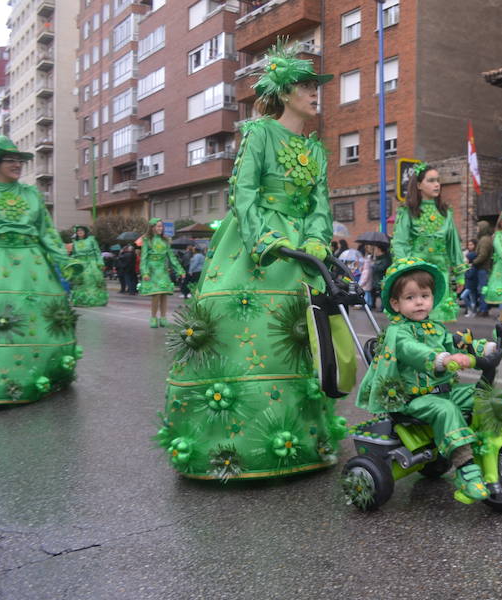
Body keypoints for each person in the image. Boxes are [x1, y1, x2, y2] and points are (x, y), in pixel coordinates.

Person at [156, 42, 345, 481]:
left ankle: (299, 438)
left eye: (316, 86)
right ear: (284, 93)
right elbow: (243, 194)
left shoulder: (315, 150)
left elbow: (320, 203)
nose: (314, 93)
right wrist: (268, 238)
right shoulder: (259, 133)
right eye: (304, 85)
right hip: (256, 244)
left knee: (304, 335)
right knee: (249, 334)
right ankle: (233, 444)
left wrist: (318, 240)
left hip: (301, 249)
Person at [355, 257, 502, 503]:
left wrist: (491, 347)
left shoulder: (435, 328)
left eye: (424, 295)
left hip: (443, 390)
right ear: (396, 303)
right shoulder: (396, 333)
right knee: (445, 409)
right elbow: (412, 351)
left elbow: (459, 343)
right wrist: (442, 359)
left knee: (488, 396)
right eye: (410, 298)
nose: (419, 302)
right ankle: (465, 466)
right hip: (414, 399)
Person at [0, 135, 83, 405]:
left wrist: (66, 261)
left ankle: (41, 375)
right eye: (10, 160)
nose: (17, 165)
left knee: (37, 321)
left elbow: (46, 232)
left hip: (33, 264)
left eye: (19, 161)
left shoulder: (31, 194)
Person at [391, 162, 466, 322]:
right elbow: (400, 243)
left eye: (438, 180)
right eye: (431, 181)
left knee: (438, 321)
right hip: (416, 273)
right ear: (419, 185)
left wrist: (460, 275)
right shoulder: (408, 211)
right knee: (418, 320)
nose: (437, 184)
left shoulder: (445, 212)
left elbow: (454, 245)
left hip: (441, 274)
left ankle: (437, 348)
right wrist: (405, 269)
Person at [139, 218, 185, 328]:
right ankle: (153, 317)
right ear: (152, 228)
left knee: (164, 293)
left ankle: (163, 317)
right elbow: (144, 258)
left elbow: (171, 257)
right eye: (158, 226)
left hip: (163, 269)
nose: (160, 228)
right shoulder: (147, 240)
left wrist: (180, 270)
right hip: (152, 270)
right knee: (156, 294)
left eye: (161, 226)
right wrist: (145, 272)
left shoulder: (166, 240)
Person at [68, 225, 109, 307]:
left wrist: (100, 263)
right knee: (80, 281)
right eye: (78, 231)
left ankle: (94, 300)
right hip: (80, 264)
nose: (80, 232)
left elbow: (97, 252)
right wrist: (71, 262)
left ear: (85, 232)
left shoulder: (91, 240)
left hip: (91, 263)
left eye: (81, 231)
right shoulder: (75, 242)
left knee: (92, 280)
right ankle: (81, 300)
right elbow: (74, 255)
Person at [472, 220, 494, 317]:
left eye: (478, 227)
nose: (476, 229)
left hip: (483, 268)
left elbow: (483, 255)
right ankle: (483, 308)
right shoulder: (486, 239)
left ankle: (483, 309)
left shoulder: (484, 240)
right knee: (482, 289)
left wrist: (473, 262)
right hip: (484, 268)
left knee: (482, 289)